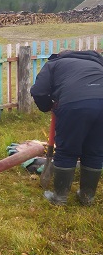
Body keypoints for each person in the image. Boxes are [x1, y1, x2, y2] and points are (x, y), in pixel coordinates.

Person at [30, 50, 103, 206]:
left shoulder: (54, 64)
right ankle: (86, 197)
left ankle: (59, 198)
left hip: (75, 104)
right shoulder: (97, 63)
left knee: (67, 149)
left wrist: (48, 106)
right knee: (95, 150)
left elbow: (38, 91)